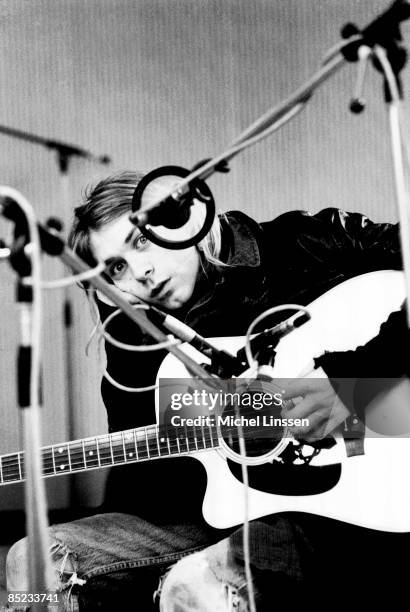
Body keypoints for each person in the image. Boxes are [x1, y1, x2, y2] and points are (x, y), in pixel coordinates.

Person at [6, 170, 409, 611]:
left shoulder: (301, 244)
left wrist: (349, 383)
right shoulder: (136, 336)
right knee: (32, 563)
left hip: (344, 508)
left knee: (196, 587)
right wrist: (209, 430)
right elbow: (150, 486)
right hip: (220, 510)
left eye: (141, 241)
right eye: (115, 268)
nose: (140, 272)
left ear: (186, 219)